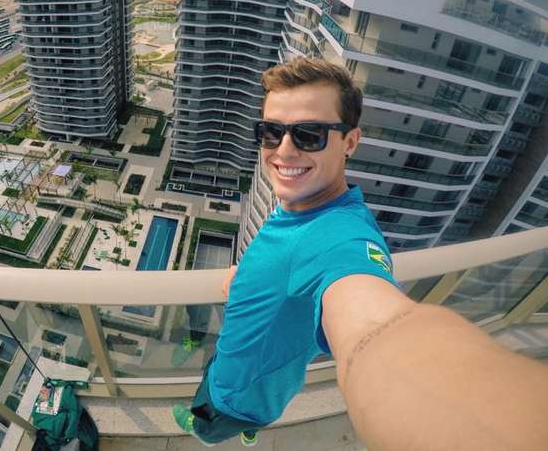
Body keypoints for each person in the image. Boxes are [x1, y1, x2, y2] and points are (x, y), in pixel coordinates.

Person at [172, 57, 548, 449]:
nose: (283, 151)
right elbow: (292, 267)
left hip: (231, 393)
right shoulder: (306, 207)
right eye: (271, 132)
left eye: (309, 134)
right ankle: (252, 425)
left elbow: (376, 323)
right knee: (254, 406)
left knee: (207, 419)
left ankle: (209, 429)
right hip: (267, 383)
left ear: (350, 141)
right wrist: (249, 277)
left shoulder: (341, 237)